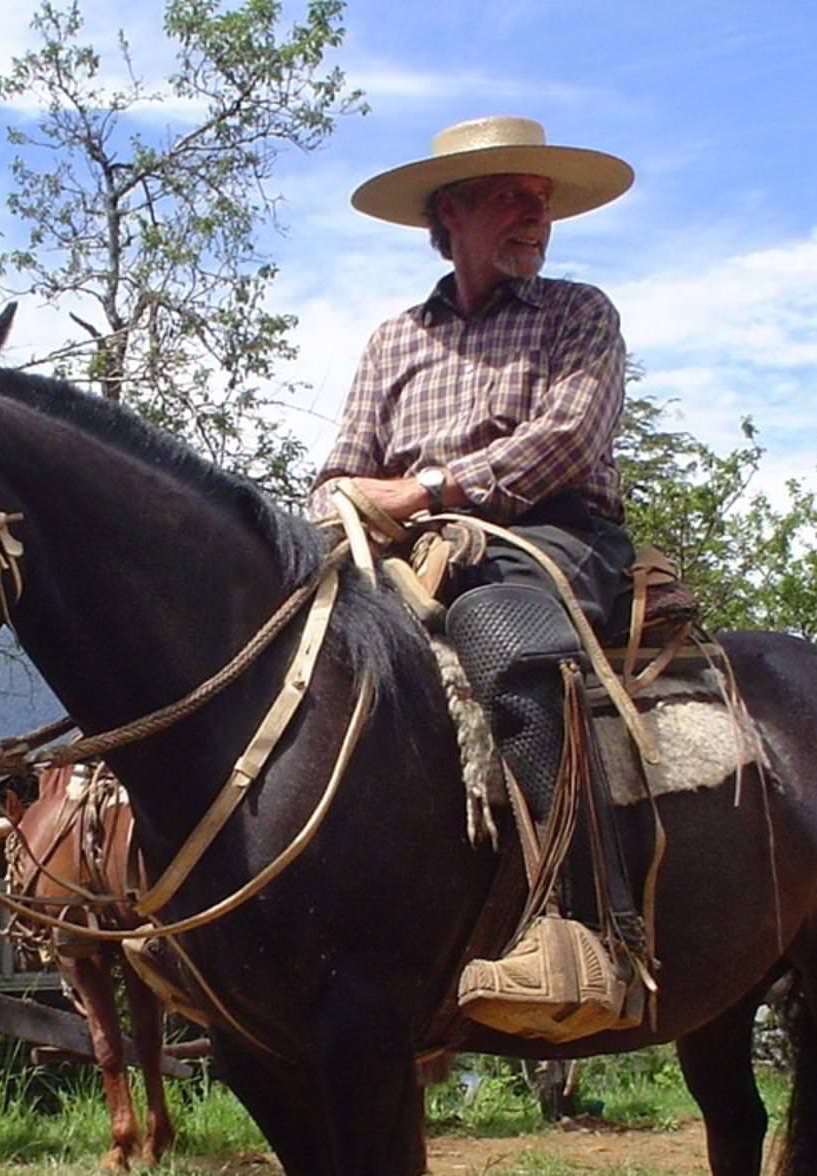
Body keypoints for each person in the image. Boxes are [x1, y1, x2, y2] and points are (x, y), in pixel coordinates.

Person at [311, 115, 643, 1036]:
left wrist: (423, 488)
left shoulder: (580, 313)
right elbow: (339, 468)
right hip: (404, 549)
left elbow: (570, 441)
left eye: (542, 200)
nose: (537, 215)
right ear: (449, 213)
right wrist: (349, 505)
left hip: (548, 536)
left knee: (501, 625)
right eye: (512, 195)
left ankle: (585, 930)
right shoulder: (394, 341)